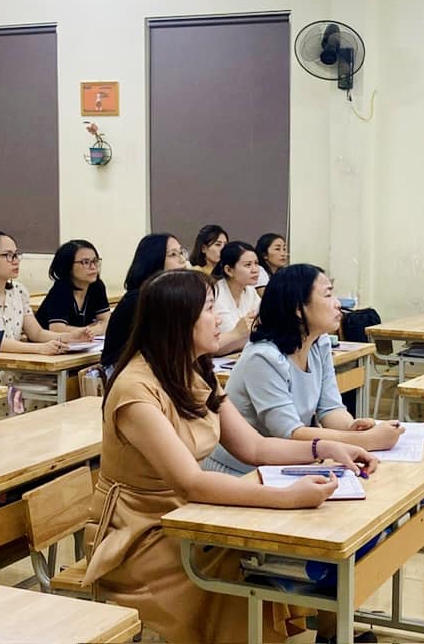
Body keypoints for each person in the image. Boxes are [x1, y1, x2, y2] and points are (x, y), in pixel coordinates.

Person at [82, 269, 378, 643]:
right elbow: (191, 483)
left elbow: (255, 447)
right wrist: (287, 498)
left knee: (266, 547)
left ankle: (318, 630)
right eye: (209, 309)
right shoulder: (135, 391)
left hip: (191, 514)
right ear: (178, 320)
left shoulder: (194, 372)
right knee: (246, 559)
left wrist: (323, 448)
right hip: (140, 534)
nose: (220, 318)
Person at [204, 264, 402, 475]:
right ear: (298, 308)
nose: (337, 304)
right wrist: (367, 440)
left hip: (287, 463)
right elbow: (289, 433)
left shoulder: (319, 342)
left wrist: (352, 427)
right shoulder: (263, 357)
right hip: (240, 471)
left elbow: (330, 408)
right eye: (327, 295)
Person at [0, 230, 91, 353]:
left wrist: (70, 337)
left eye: (16, 255)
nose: (15, 261)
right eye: (8, 255)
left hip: (11, 364)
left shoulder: (19, 291)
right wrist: (40, 348)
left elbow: (36, 333)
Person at [101, 233, 187, 369]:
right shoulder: (139, 299)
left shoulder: (171, 295)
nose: (182, 260)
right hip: (126, 370)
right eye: (173, 255)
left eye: (181, 252)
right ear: (155, 261)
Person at [36, 239, 111, 336]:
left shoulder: (97, 286)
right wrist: (92, 329)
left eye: (95, 261)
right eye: (86, 262)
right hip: (48, 343)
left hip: (82, 342)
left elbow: (107, 321)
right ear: (68, 266)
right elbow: (57, 329)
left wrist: (89, 331)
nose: (93, 267)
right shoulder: (61, 289)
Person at [212, 241, 261, 355]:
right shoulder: (216, 293)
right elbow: (214, 345)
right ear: (229, 270)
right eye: (248, 265)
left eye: (256, 263)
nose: (255, 269)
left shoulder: (251, 292)